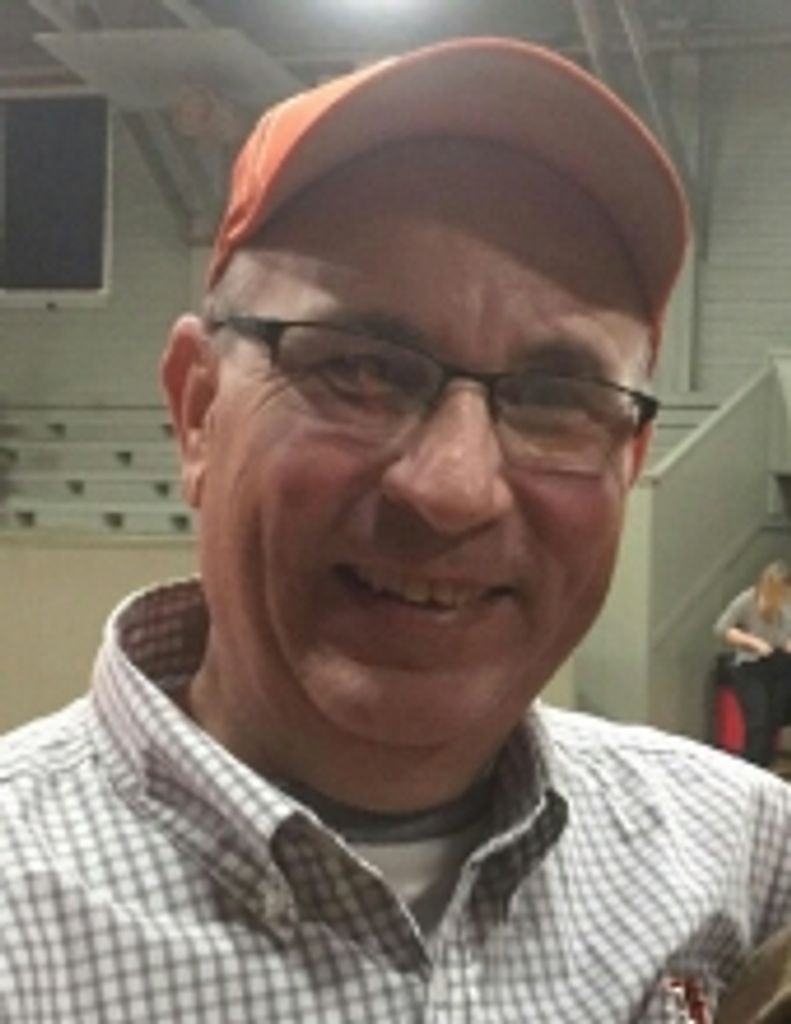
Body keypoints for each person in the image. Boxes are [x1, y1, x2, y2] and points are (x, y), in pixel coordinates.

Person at [1, 36, 790, 1024]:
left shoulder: (742, 855)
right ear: (197, 409)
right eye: (361, 369)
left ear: (628, 460)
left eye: (555, 396)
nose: (453, 488)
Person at [714, 561, 791, 766]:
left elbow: (784, 636)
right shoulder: (748, 600)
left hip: (780, 663)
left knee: (774, 721)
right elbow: (722, 629)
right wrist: (752, 642)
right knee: (758, 720)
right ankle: (751, 769)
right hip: (751, 665)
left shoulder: (787, 604)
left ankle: (766, 767)